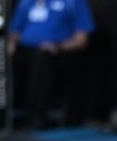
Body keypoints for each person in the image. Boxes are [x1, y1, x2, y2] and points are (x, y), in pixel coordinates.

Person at [8, 0, 95, 129]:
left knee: (43, 56)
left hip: (58, 51)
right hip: (26, 49)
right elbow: (15, 32)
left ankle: (36, 115)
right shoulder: (26, 2)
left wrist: (59, 46)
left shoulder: (74, 2)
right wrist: (11, 44)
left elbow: (82, 40)